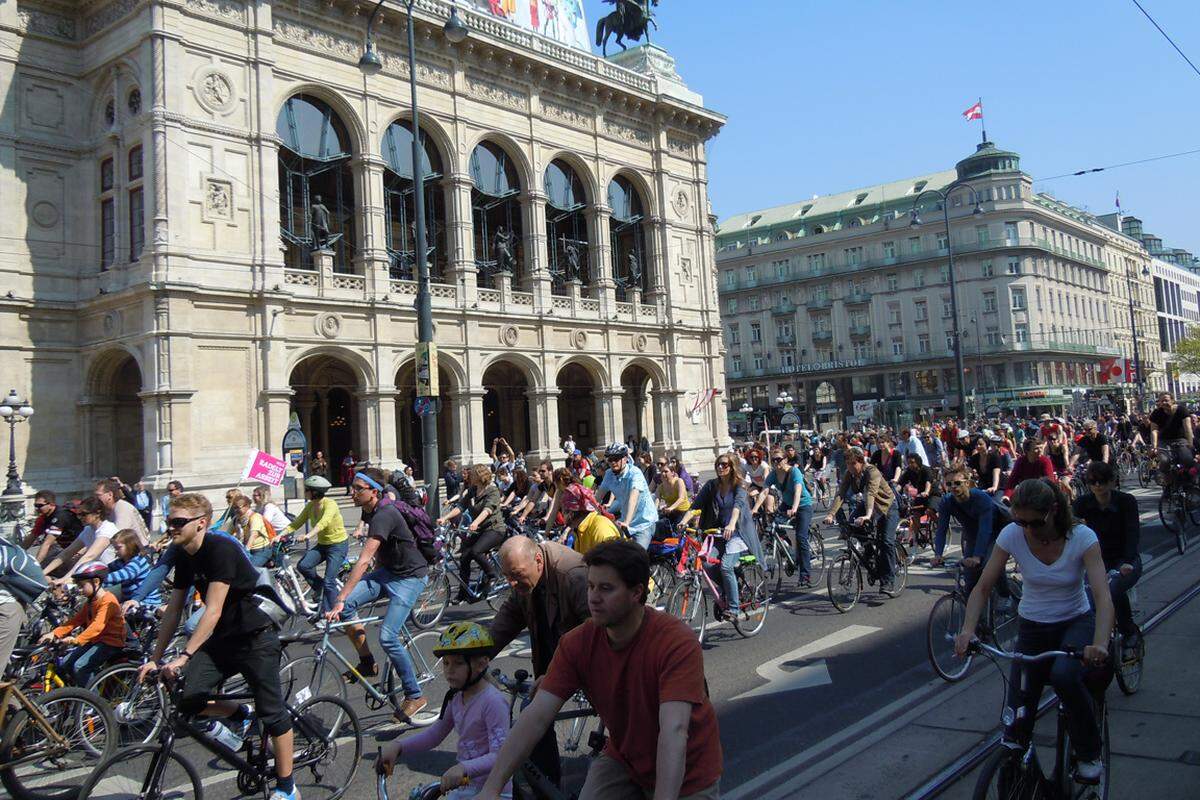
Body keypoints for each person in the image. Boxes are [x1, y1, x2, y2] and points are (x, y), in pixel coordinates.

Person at [476, 540, 722, 800]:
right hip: (627, 760)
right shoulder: (577, 643)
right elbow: (535, 718)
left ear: (636, 592)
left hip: (688, 773)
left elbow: (674, 731)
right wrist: (490, 789)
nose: (593, 597)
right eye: (591, 586)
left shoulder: (675, 641)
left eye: (606, 588)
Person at [137, 493, 298, 800]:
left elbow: (212, 609)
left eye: (178, 522)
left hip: (254, 636)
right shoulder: (184, 553)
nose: (170, 527)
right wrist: (155, 658)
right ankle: (241, 715)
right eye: (169, 521)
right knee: (188, 701)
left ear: (201, 524)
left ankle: (287, 788)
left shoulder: (220, 548)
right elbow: (174, 610)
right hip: (222, 639)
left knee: (274, 714)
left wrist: (184, 656)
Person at [954, 478, 1113, 784]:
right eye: (1020, 521)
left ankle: (1089, 752)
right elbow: (983, 585)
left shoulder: (1081, 537)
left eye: (1035, 522)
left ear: (1053, 510)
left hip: (1074, 622)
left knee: (1065, 676)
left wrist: (1100, 643)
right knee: (1017, 716)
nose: (1027, 529)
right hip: (1032, 626)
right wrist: (967, 630)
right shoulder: (1012, 534)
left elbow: (1103, 597)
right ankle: (1019, 768)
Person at [326, 467, 429, 723]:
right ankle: (366, 661)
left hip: (410, 577)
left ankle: (415, 695)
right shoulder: (369, 509)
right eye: (353, 487)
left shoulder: (385, 513)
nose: (352, 492)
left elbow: (363, 561)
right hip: (388, 573)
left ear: (374, 491)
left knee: (388, 636)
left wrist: (338, 598)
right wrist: (344, 600)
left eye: (358, 488)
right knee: (349, 606)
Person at [488, 536, 589, 787]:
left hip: (587, 659)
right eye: (507, 576)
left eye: (516, 575)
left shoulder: (572, 575)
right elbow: (510, 616)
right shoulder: (525, 576)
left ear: (538, 561)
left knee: (531, 712)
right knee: (533, 710)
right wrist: (478, 653)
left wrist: (557, 673)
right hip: (554, 657)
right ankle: (548, 785)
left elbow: (595, 631)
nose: (511, 582)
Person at [377, 622, 512, 798]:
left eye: (457, 663)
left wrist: (464, 768)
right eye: (446, 663)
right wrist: (398, 747)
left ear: (481, 664)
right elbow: (435, 735)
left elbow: (501, 756)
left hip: (495, 791)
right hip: (466, 786)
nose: (449, 671)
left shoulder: (492, 702)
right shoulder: (455, 697)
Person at [679, 454, 764, 619]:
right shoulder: (712, 485)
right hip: (718, 532)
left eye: (724, 465)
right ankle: (729, 589)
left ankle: (734, 608)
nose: (720, 467)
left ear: (732, 467)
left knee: (726, 566)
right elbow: (695, 506)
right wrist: (683, 521)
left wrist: (732, 524)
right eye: (718, 464)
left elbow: (738, 506)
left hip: (737, 532)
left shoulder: (739, 485)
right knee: (707, 563)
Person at [1072, 461, 1142, 654]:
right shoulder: (1082, 504)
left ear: (1112, 482)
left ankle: (1129, 631)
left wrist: (1127, 561)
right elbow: (1069, 531)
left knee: (1111, 589)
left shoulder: (1126, 501)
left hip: (1124, 560)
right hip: (1096, 562)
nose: (1097, 486)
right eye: (1093, 482)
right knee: (1085, 599)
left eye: (1102, 481)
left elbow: (1132, 533)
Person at [932, 467, 1011, 606]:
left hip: (996, 531)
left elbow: (985, 530)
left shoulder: (981, 498)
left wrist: (977, 556)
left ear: (967, 483)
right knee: (970, 577)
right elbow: (942, 529)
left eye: (957, 483)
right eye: (949, 484)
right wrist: (938, 554)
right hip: (973, 533)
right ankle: (974, 618)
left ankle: (1005, 595)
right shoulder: (947, 501)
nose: (953, 487)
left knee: (991, 565)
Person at [41, 561, 126, 688]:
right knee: (66, 663)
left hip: (110, 642)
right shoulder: (91, 602)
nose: (80, 590)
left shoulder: (108, 601)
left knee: (80, 666)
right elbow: (75, 621)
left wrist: (76, 640)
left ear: (96, 582)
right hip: (95, 640)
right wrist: (54, 633)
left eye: (82, 586)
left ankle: (92, 704)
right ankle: (77, 694)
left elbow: (97, 626)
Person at [824, 447, 898, 592]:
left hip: (886, 507)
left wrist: (868, 515)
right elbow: (841, 494)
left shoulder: (872, 471)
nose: (850, 467)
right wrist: (831, 514)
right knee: (852, 525)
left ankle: (888, 580)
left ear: (860, 461)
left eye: (853, 464)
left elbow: (871, 493)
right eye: (848, 464)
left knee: (886, 542)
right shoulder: (849, 474)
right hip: (866, 505)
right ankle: (869, 551)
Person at [438, 465, 507, 603]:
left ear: (480, 476)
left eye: (473, 474)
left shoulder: (492, 490)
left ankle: (493, 575)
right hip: (479, 530)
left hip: (494, 529)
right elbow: (461, 506)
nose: (470, 476)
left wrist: (475, 522)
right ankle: (463, 593)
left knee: (476, 551)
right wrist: (445, 518)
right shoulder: (473, 490)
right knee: (464, 557)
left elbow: (487, 510)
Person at [281, 475, 349, 613]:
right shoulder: (311, 506)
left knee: (329, 581)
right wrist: (279, 535)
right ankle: (322, 590)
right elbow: (297, 522)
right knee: (303, 565)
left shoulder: (330, 504)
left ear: (314, 492)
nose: (304, 492)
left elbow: (323, 523)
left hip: (338, 545)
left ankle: (332, 611)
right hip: (323, 545)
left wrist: (307, 536)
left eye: (306, 490)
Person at [757, 447, 814, 587]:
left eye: (779, 459)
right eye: (773, 460)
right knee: (773, 528)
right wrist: (754, 509)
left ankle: (805, 575)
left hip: (803, 505)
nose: (776, 462)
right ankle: (787, 548)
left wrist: (794, 508)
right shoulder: (773, 474)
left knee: (801, 538)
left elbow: (798, 490)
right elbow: (764, 491)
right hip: (787, 504)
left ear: (786, 460)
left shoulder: (794, 471)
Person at [598, 443, 659, 550]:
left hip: (643, 523)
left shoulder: (635, 473)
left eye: (616, 459)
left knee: (637, 557)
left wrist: (627, 521)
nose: (613, 462)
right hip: (624, 520)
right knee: (609, 549)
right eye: (610, 459)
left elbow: (633, 498)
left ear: (625, 458)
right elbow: (597, 497)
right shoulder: (609, 474)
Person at [43, 497, 118, 579]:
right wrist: (43, 573)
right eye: (78, 514)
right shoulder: (88, 530)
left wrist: (65, 579)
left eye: (84, 514)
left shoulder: (107, 529)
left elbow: (89, 556)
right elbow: (67, 553)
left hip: (110, 576)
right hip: (94, 574)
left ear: (97, 513)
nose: (79, 517)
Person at [23, 490, 83, 574]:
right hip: (66, 549)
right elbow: (32, 537)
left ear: (51, 504)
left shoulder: (60, 516)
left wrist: (35, 565)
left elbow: (47, 543)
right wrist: (18, 551)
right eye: (35, 505)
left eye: (40, 506)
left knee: (47, 570)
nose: (37, 508)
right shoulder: (43, 518)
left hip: (80, 549)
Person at [1149, 392, 1194, 492]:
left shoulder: (1182, 410)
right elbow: (1154, 431)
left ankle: (1188, 482)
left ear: (1173, 400)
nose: (1164, 402)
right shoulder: (1156, 413)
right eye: (1161, 401)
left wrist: (1190, 444)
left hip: (1180, 439)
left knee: (1187, 459)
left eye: (1166, 400)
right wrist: (1154, 446)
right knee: (1164, 461)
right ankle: (1168, 486)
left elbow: (1188, 428)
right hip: (1163, 441)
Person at [104, 529, 161, 606]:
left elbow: (125, 574)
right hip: (130, 600)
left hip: (147, 602)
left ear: (130, 545)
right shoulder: (120, 562)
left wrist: (102, 577)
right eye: (115, 549)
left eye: (118, 548)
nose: (116, 551)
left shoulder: (138, 561)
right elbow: (106, 570)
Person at [561, 486, 623, 556]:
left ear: (571, 513)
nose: (562, 514)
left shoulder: (601, 529)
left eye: (563, 510)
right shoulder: (579, 529)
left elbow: (613, 563)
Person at [95, 477, 150, 546]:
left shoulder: (122, 508)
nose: (96, 498)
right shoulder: (107, 510)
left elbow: (116, 537)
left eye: (98, 495)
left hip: (138, 552)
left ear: (110, 495)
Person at [654, 463, 692, 539]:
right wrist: (654, 511)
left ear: (672, 473)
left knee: (675, 532)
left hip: (683, 511)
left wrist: (671, 508)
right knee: (658, 526)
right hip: (671, 512)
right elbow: (657, 500)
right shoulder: (661, 487)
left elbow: (681, 498)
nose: (663, 474)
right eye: (661, 472)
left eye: (666, 471)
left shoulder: (679, 481)